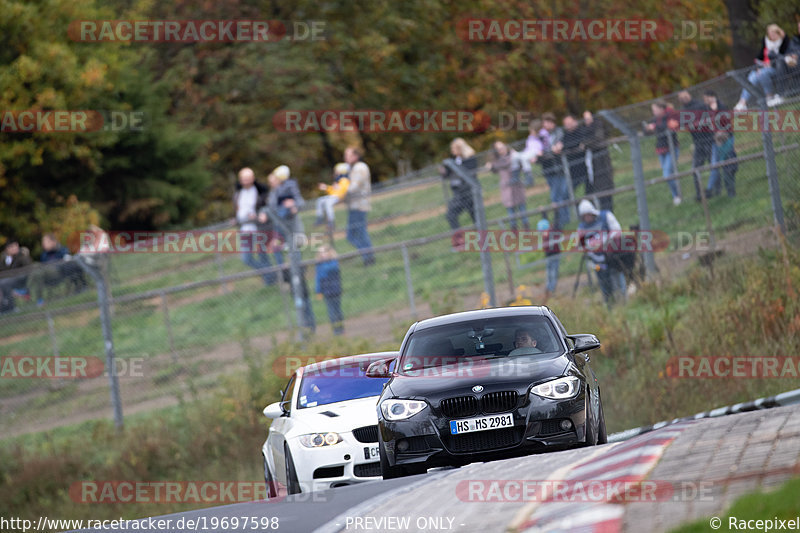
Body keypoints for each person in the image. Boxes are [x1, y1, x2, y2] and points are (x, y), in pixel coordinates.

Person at [577, 199, 626, 308]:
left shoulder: (605, 216)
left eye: (588, 215)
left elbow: (617, 230)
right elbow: (582, 243)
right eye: (585, 216)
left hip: (612, 257)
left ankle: (623, 302)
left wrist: (605, 241)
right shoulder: (582, 227)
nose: (587, 218)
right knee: (603, 282)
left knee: (617, 278)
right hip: (597, 261)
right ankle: (610, 305)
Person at [233, 167, 276, 285]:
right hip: (244, 230)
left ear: (253, 178)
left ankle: (270, 281)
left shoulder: (260, 191)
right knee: (246, 258)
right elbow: (238, 210)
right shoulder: (238, 193)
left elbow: (266, 207)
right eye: (243, 179)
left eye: (248, 178)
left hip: (258, 228)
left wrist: (257, 215)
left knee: (263, 255)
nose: (246, 181)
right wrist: (236, 219)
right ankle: (271, 274)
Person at [734, 24, 789, 110]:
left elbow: (783, 58)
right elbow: (759, 58)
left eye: (773, 33)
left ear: (778, 33)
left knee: (763, 73)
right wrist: (759, 67)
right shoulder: (766, 43)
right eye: (770, 34)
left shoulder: (783, 42)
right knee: (752, 77)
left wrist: (769, 63)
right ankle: (742, 102)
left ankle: (769, 96)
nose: (771, 36)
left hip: (777, 68)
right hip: (765, 67)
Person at [28, 233, 87, 306]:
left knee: (37, 268)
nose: (43, 244)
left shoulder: (62, 250)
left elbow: (67, 261)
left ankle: (28, 290)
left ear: (53, 242)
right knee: (37, 270)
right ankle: (34, 296)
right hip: (46, 276)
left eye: (46, 242)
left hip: (58, 272)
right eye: (43, 242)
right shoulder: (44, 254)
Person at [678, 90, 714, 202]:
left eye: (685, 96)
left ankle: (715, 189)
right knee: (696, 168)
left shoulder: (700, 105)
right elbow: (683, 124)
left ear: (689, 95)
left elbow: (708, 118)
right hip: (697, 142)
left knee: (713, 165)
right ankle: (700, 194)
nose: (684, 98)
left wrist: (697, 123)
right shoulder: (683, 111)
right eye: (682, 97)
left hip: (708, 138)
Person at [343, 147, 375, 266]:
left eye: (348, 155)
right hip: (353, 206)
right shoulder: (351, 169)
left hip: (359, 206)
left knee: (358, 234)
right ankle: (367, 255)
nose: (346, 158)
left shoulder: (360, 168)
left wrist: (341, 194)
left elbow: (354, 187)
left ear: (355, 156)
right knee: (354, 234)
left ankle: (368, 256)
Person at [645, 101, 682, 205]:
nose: (654, 112)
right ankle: (676, 195)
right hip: (661, 150)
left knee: (667, 174)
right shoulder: (655, 119)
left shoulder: (670, 115)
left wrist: (655, 127)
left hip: (672, 148)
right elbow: (646, 130)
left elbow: (669, 127)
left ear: (661, 109)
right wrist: (648, 129)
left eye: (655, 109)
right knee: (668, 174)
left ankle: (677, 195)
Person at [486, 141, 529, 230]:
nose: (502, 149)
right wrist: (490, 166)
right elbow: (495, 168)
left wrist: (516, 156)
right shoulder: (497, 161)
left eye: (503, 146)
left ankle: (526, 228)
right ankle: (514, 230)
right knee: (511, 210)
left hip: (517, 185)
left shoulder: (513, 155)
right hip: (507, 188)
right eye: (499, 148)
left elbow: (517, 164)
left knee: (522, 208)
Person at [537, 112, 569, 229]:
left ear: (552, 123)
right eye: (544, 123)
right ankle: (561, 220)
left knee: (559, 196)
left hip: (559, 168)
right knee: (556, 196)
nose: (545, 125)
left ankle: (563, 220)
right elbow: (540, 149)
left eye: (547, 123)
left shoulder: (558, 132)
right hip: (548, 170)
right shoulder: (542, 135)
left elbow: (558, 146)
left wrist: (550, 150)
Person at [441, 137, 478, 232]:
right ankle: (459, 240)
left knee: (476, 216)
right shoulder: (454, 160)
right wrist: (444, 172)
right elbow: (448, 174)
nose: (452, 151)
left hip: (469, 192)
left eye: (453, 148)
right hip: (459, 193)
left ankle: (482, 237)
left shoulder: (470, 158)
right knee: (451, 215)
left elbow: (469, 173)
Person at [582, 111, 615, 211]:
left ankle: (608, 212)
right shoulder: (584, 130)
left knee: (605, 191)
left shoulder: (598, 126)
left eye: (588, 118)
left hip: (602, 167)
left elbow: (599, 140)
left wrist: (586, 144)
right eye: (585, 119)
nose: (587, 121)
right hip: (592, 168)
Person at [702, 91, 733, 198]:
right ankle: (709, 190)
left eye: (706, 98)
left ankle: (730, 190)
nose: (705, 100)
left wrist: (722, 131)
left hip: (727, 138)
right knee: (714, 165)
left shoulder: (722, 106)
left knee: (727, 164)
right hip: (715, 141)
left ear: (712, 97)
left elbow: (727, 121)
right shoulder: (706, 110)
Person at [315, 245, 344, 336]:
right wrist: (318, 291)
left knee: (338, 310)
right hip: (326, 291)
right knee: (331, 312)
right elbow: (318, 279)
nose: (323, 255)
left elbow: (332, 269)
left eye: (325, 252)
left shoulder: (333, 262)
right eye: (321, 253)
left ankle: (340, 327)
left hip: (335, 290)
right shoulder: (319, 265)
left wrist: (323, 267)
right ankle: (335, 330)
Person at [315, 162, 350, 233]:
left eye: (336, 171)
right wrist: (326, 187)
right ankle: (320, 218)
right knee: (320, 200)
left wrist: (335, 188)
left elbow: (342, 191)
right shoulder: (338, 180)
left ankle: (331, 222)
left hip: (338, 197)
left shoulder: (344, 180)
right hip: (333, 196)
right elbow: (333, 191)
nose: (335, 172)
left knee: (327, 203)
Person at [0, 239, 32, 313]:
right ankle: (3, 307)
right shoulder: (5, 260)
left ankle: (11, 307)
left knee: (4, 283)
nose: (14, 248)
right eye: (11, 247)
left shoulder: (22, 257)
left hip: (20, 280)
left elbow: (27, 268)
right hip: (6, 281)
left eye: (15, 246)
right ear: (7, 249)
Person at [562, 114, 590, 196]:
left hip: (585, 168)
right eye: (566, 124)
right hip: (572, 170)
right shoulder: (565, 135)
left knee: (589, 192)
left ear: (575, 122)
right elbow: (564, 145)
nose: (568, 125)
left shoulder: (582, 131)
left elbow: (580, 143)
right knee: (567, 194)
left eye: (569, 123)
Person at [538, 217, 561, 304]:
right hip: (548, 257)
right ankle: (548, 289)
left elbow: (556, 222)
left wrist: (555, 210)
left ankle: (552, 290)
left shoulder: (552, 233)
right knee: (548, 273)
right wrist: (543, 212)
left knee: (553, 273)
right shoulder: (545, 235)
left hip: (555, 256)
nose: (542, 234)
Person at [713, 131, 738, 198]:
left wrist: (721, 162)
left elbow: (723, 155)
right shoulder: (726, 144)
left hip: (730, 165)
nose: (716, 143)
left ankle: (731, 194)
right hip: (729, 165)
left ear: (721, 140)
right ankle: (731, 193)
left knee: (728, 179)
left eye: (717, 142)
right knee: (728, 179)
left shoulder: (726, 145)